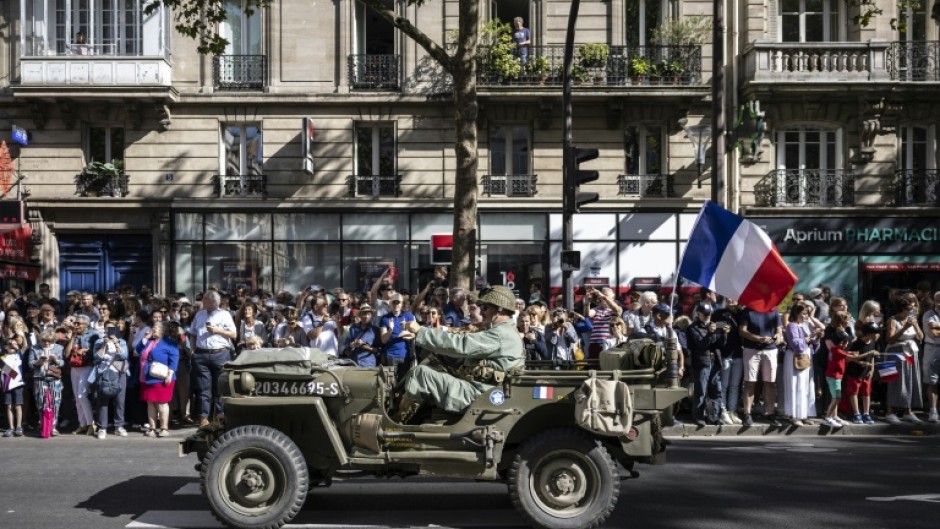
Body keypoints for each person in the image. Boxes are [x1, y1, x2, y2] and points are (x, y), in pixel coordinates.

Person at [397, 285, 524, 423]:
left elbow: (461, 344)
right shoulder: (505, 331)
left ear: (500, 310)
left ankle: (397, 424)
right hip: (485, 389)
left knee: (421, 374)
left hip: (480, 393)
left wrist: (421, 332)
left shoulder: (500, 334)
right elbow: (463, 336)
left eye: (486, 307)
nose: (482, 312)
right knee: (436, 364)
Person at [189, 290, 236, 427]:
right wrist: (193, 351)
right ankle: (204, 417)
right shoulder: (199, 315)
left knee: (219, 387)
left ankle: (220, 415)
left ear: (214, 302)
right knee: (204, 388)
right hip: (201, 354)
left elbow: (233, 334)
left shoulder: (224, 315)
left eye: (205, 300)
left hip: (220, 354)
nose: (203, 302)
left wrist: (217, 331)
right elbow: (192, 334)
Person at [737, 305, 784, 427]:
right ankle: (747, 414)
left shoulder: (773, 310)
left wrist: (777, 336)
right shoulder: (748, 311)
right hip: (752, 349)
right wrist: (758, 339)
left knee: (770, 383)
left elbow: (779, 329)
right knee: (749, 382)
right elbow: (742, 331)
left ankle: (770, 414)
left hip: (770, 350)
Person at [686, 304, 732, 426]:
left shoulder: (713, 325)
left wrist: (724, 334)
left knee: (716, 390)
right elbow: (702, 344)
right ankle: (698, 416)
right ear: (698, 314)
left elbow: (720, 344)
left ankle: (714, 416)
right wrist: (710, 333)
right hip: (701, 362)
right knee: (701, 390)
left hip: (715, 360)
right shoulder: (693, 328)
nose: (707, 317)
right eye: (705, 314)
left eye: (709, 314)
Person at [884, 298, 924, 425]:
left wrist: (916, 325)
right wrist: (904, 327)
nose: (913, 310)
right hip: (896, 352)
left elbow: (920, 337)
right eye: (910, 308)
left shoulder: (912, 319)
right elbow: (890, 340)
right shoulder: (893, 320)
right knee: (894, 381)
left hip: (910, 351)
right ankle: (890, 411)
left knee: (910, 380)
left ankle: (908, 411)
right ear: (902, 309)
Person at [142, 321, 182, 437]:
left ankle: (164, 428)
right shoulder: (150, 342)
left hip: (163, 376)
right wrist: (145, 339)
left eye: (156, 328)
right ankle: (152, 428)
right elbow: (139, 351)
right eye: (153, 328)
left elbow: (174, 359)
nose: (153, 330)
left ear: (163, 331)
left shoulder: (170, 343)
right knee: (150, 403)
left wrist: (170, 374)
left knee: (162, 403)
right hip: (150, 376)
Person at [781, 303, 819, 426]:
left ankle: (804, 414)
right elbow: (796, 344)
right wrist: (809, 338)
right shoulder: (792, 326)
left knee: (805, 385)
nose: (805, 316)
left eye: (807, 313)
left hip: (806, 356)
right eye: (803, 313)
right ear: (797, 314)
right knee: (795, 384)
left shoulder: (805, 325)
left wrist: (816, 338)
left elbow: (813, 344)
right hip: (795, 357)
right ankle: (794, 415)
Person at [91, 322, 129, 439]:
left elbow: (123, 356)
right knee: (103, 401)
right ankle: (102, 427)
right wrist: (104, 344)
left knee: (119, 401)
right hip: (104, 372)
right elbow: (96, 357)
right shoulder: (98, 342)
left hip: (119, 373)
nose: (110, 331)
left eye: (112, 328)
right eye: (107, 328)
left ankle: (119, 426)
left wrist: (116, 343)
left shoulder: (121, 341)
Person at [65, 314, 100, 434]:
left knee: (82, 396)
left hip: (87, 367)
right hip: (74, 368)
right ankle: (82, 423)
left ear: (86, 324)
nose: (76, 325)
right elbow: (66, 354)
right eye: (75, 323)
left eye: (78, 323)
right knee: (77, 398)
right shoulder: (74, 334)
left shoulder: (93, 334)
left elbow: (98, 349)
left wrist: (85, 350)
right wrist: (72, 337)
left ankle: (91, 424)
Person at [713, 298, 744, 423]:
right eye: (728, 297)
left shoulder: (741, 314)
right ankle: (723, 410)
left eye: (733, 297)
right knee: (724, 385)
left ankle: (732, 410)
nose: (730, 299)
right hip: (725, 353)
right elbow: (714, 329)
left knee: (735, 385)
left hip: (738, 353)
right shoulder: (719, 313)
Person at [845, 323, 881, 425]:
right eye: (874, 334)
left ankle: (866, 413)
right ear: (868, 334)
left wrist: (872, 369)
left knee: (867, 393)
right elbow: (849, 358)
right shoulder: (856, 344)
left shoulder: (873, 343)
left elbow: (872, 357)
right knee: (854, 392)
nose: (876, 336)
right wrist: (861, 362)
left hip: (866, 372)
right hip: (855, 372)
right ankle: (856, 413)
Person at [379, 293, 416, 377]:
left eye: (398, 302)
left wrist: (406, 331)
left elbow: (415, 334)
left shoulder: (408, 316)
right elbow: (383, 340)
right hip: (390, 356)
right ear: (390, 304)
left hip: (406, 355)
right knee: (390, 383)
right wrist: (390, 330)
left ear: (402, 304)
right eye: (394, 302)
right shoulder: (385, 318)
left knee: (404, 382)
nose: (396, 305)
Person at [822, 330, 851, 428]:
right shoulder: (837, 351)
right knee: (837, 397)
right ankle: (828, 418)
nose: (847, 344)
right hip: (834, 377)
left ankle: (834, 416)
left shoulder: (835, 349)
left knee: (835, 397)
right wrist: (868, 353)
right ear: (841, 342)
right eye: (846, 342)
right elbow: (852, 358)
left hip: (835, 376)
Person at [921, 291, 940, 423]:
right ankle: (933, 411)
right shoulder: (929, 314)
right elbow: (934, 333)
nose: (939, 303)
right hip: (932, 348)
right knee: (932, 381)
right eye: (937, 300)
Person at [1, 341, 26, 437]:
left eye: (13, 344)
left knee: (18, 406)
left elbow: (25, 345)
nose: (11, 345)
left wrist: (17, 344)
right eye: (9, 344)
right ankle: (11, 427)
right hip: (7, 385)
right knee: (8, 406)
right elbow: (8, 373)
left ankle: (19, 426)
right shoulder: (2, 358)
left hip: (18, 384)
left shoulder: (19, 355)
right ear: (5, 347)